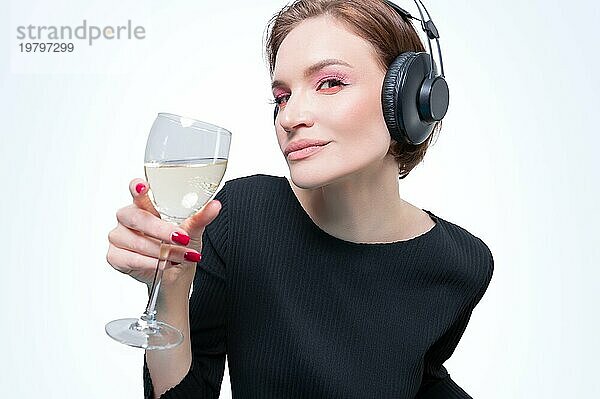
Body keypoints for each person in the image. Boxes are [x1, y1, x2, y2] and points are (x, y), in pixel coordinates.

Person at [106, 0, 494, 398]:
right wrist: (170, 288)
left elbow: (422, 377)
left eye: (330, 83)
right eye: (282, 96)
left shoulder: (463, 262)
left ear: (411, 98)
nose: (289, 118)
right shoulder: (240, 217)